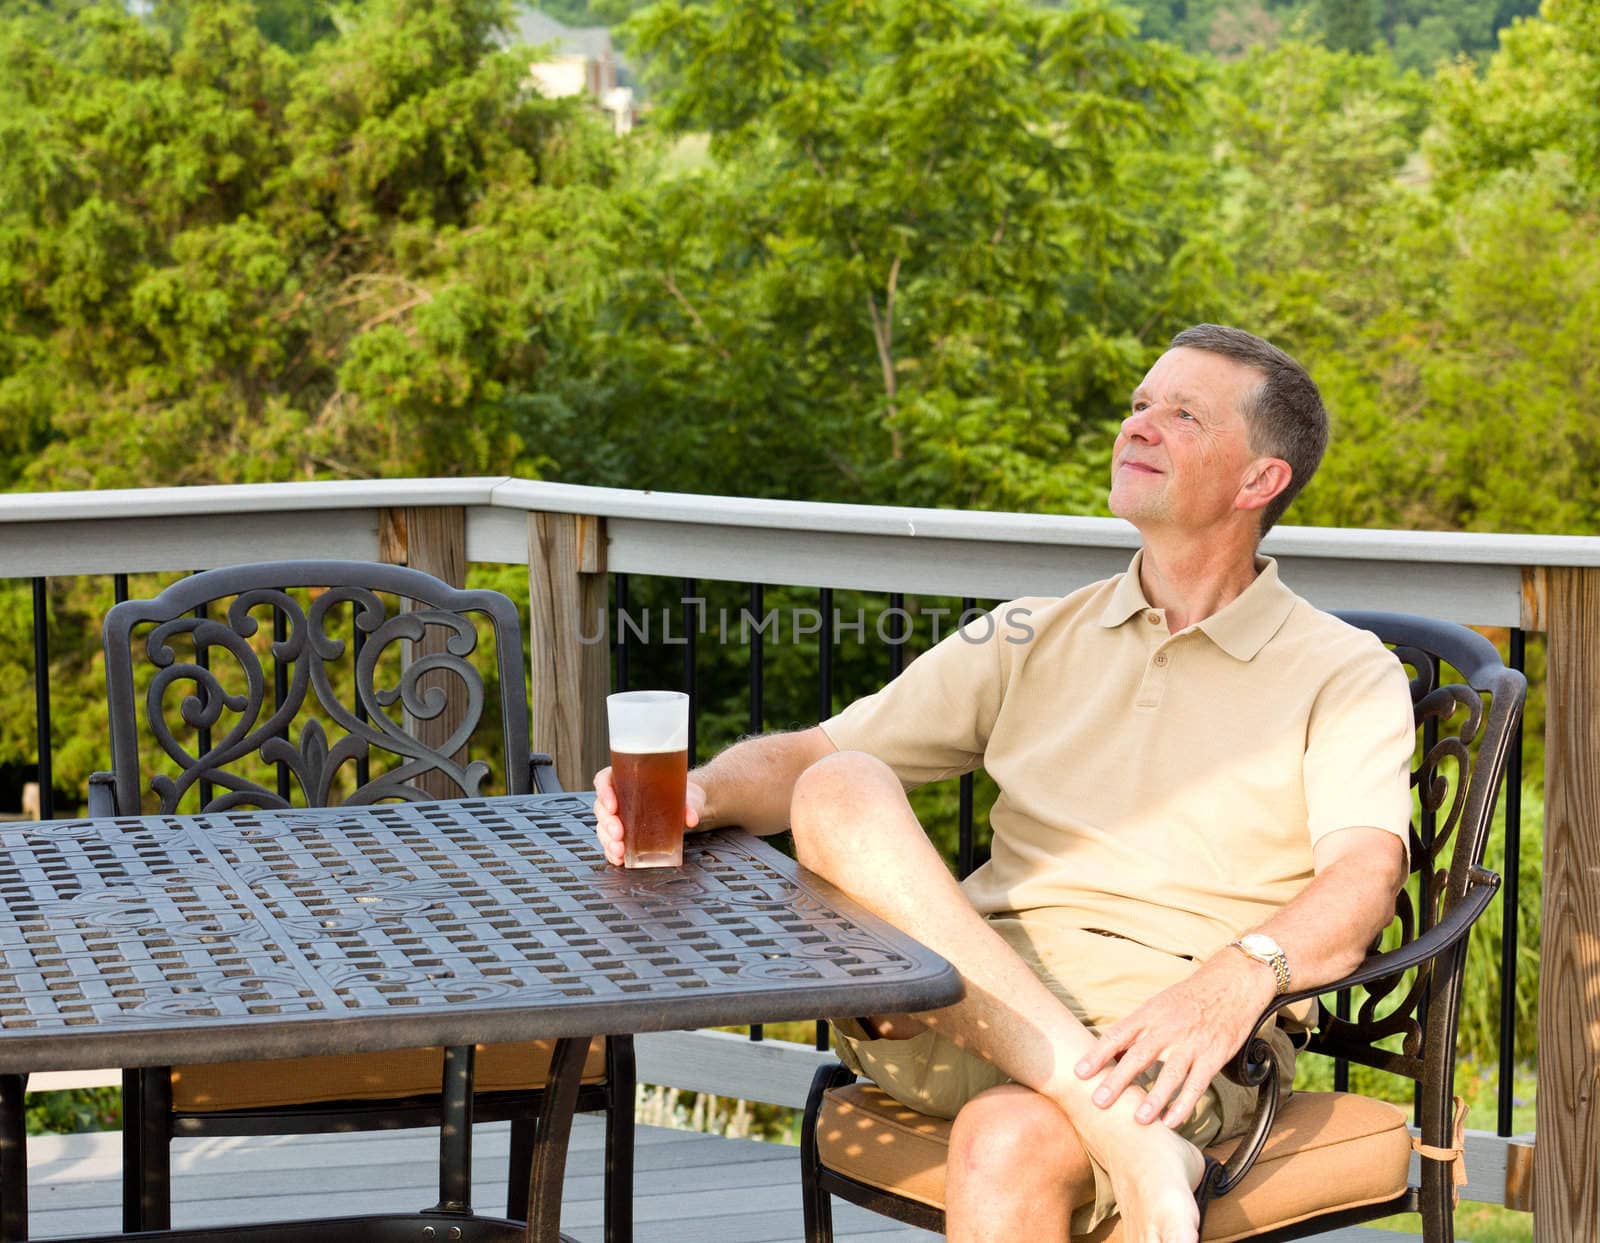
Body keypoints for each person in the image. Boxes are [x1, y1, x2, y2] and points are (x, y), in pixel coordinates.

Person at [592, 324, 1415, 1243]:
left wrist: (1234, 979)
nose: (1138, 426)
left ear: (1260, 481)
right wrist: (699, 792)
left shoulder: (1343, 670)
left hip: (1175, 1035)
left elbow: (1364, 880)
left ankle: (1119, 1121)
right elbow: (810, 756)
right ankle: (1120, 1129)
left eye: (1183, 415)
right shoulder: (1029, 633)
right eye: (1140, 404)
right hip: (966, 1006)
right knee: (839, 784)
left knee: (1007, 1141)